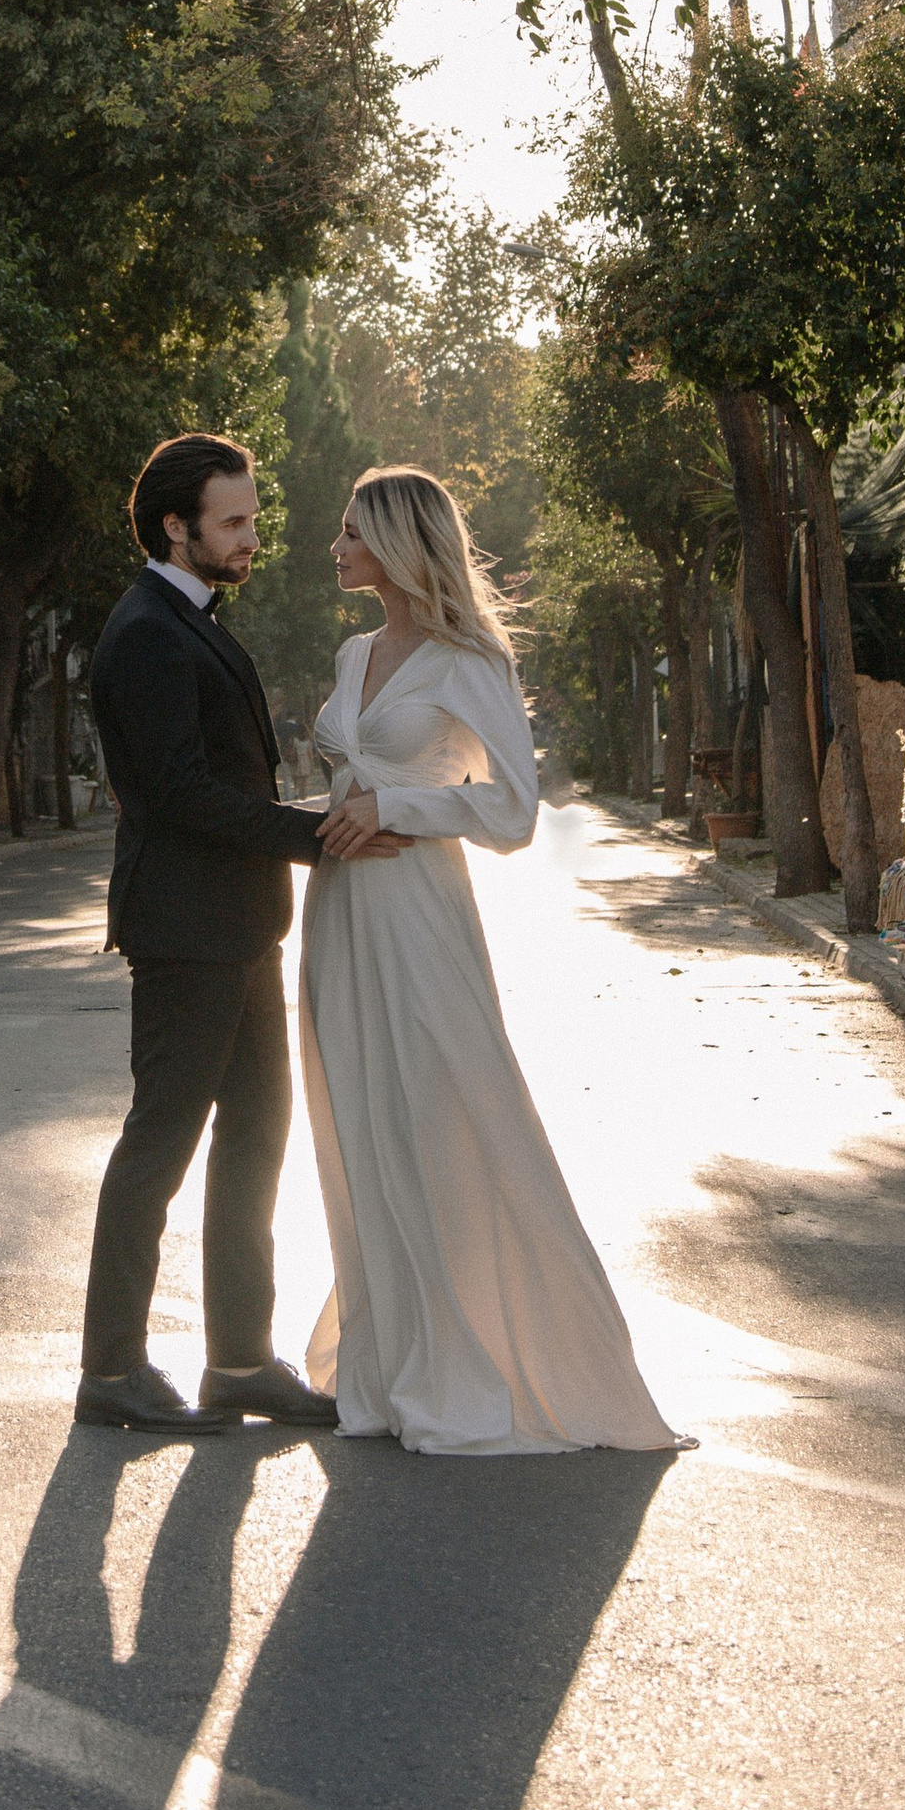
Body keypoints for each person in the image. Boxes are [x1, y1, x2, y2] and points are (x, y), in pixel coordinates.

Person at [305, 465, 685, 1457]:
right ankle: (394, 1365)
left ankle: (488, 1360)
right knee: (363, 1123)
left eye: (352, 532)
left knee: (447, 1115)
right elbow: (346, 788)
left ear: (399, 542)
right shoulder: (354, 654)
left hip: (420, 910)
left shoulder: (468, 658)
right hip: (340, 911)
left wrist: (395, 805)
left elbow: (514, 811)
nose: (336, 548)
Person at [76, 433, 355, 1436]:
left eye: (251, 519)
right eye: (231, 522)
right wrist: (317, 837)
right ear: (174, 527)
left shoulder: (187, 621)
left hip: (239, 928)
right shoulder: (148, 633)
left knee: (254, 1142)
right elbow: (180, 793)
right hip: (186, 933)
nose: (250, 539)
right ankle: (111, 1370)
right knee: (159, 1145)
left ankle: (239, 1361)